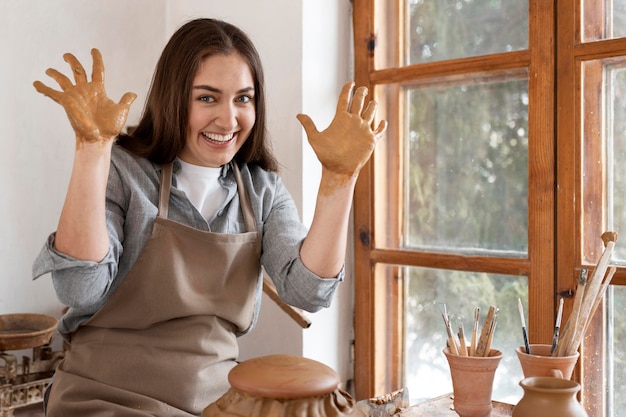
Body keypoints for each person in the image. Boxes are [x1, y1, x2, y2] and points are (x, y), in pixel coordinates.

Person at [32, 18, 386, 416]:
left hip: (216, 405)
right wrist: (92, 149)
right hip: (103, 396)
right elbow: (80, 290)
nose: (228, 119)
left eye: (243, 99)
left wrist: (339, 178)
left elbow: (307, 292)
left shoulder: (261, 191)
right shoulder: (124, 171)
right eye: (207, 98)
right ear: (173, 98)